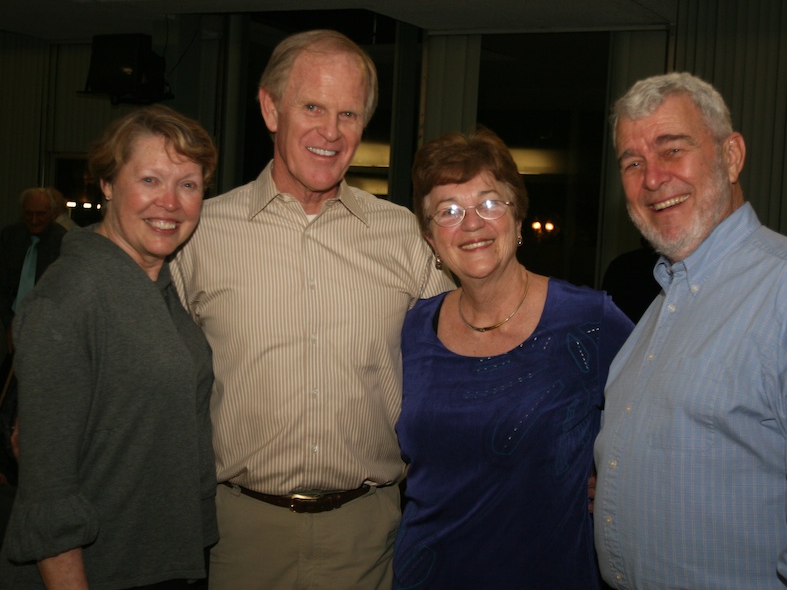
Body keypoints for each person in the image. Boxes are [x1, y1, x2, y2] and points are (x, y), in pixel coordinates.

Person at [170, 29, 454, 589]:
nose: (330, 131)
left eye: (348, 113)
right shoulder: (200, 234)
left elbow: (468, 357)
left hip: (369, 535)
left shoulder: (404, 236)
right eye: (312, 107)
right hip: (237, 535)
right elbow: (146, 369)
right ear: (270, 108)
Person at [593, 72, 787, 588]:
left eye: (672, 149)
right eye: (632, 163)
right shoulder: (664, 298)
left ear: (731, 156)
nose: (653, 178)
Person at [392, 128, 633, 589]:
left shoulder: (588, 319)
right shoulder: (412, 329)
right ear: (429, 239)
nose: (471, 224)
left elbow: (665, 416)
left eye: (488, 203)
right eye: (448, 211)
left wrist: (623, 479)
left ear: (518, 218)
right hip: (427, 575)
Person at [0, 105, 219, 589]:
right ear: (105, 185)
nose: (170, 202)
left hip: (162, 562)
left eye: (188, 184)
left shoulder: (156, 289)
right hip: (98, 573)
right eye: (150, 180)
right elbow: (48, 492)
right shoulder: (71, 297)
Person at [0, 188, 66, 353]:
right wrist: (10, 323)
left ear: (53, 213)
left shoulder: (63, 241)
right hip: (8, 320)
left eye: (41, 214)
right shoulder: (9, 237)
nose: (34, 220)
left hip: (48, 328)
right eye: (29, 214)